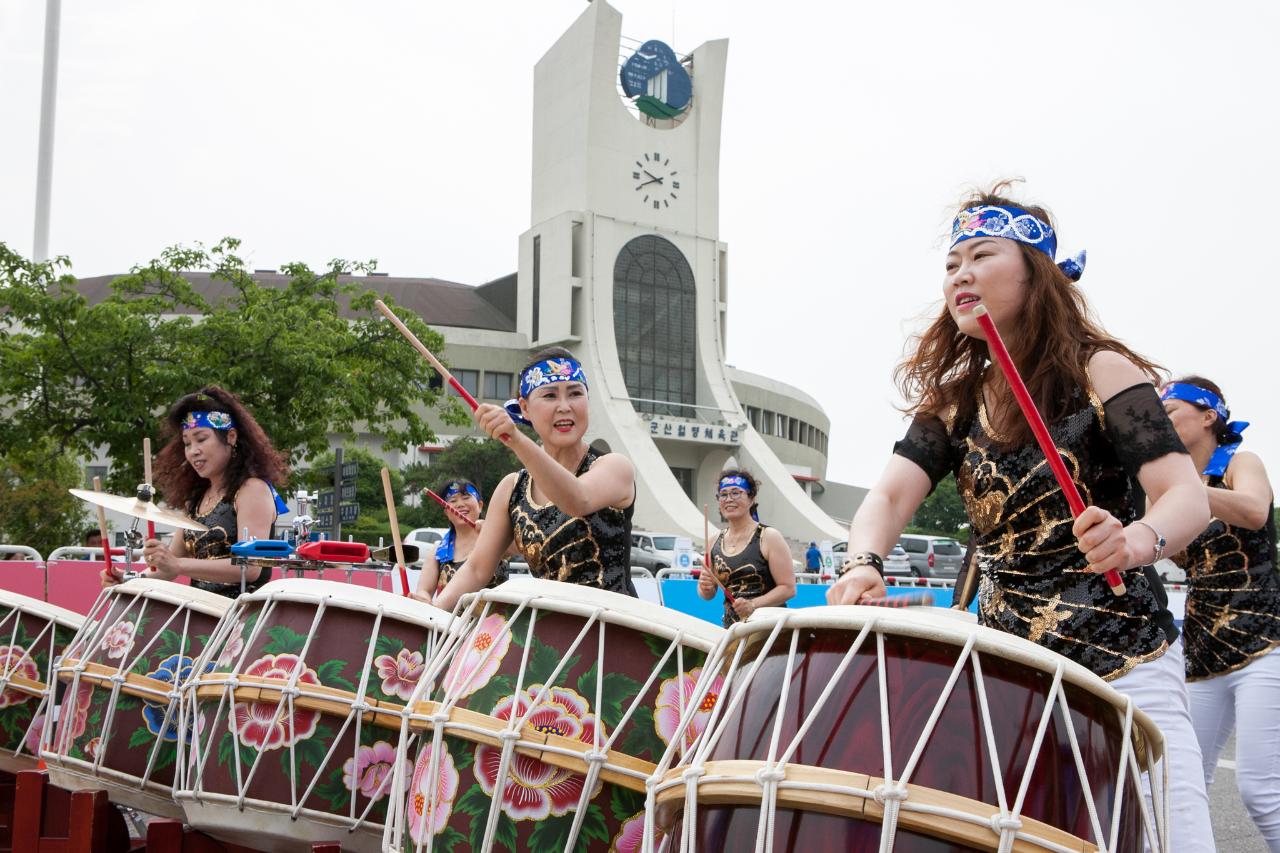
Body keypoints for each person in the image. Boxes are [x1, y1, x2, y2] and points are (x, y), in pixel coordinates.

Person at [826, 183, 1214, 849]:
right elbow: (888, 498)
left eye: (981, 255)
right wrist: (864, 560)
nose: (961, 274)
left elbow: (1185, 493)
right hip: (1012, 671)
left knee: (1174, 839)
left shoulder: (1102, 371)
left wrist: (1136, 539)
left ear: (1036, 274)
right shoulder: (956, 401)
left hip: (1126, 658)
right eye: (951, 264)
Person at [1162, 376, 1280, 847]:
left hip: (1264, 641)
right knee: (1184, 786)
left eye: (1170, 411)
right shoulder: (1164, 484)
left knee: (1260, 789)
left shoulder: (1240, 463)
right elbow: (1160, 547)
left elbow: (1254, 511)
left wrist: (1184, 486)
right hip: (1203, 651)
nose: (1162, 420)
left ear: (1209, 415)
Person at [434, 348, 637, 610]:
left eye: (575, 393)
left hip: (617, 632)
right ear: (524, 409)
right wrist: (427, 617)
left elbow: (578, 499)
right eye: (550, 395)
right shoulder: (511, 489)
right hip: (548, 635)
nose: (565, 407)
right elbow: (476, 570)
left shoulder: (614, 467)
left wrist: (517, 440)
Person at [106, 386, 290, 598]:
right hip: (201, 612)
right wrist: (132, 580)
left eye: (201, 439)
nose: (193, 451)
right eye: (187, 443)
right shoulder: (196, 498)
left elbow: (249, 569)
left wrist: (178, 564)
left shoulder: (252, 489)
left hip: (242, 616)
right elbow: (169, 568)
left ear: (230, 437)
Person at [698, 469, 796, 626]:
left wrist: (753, 604)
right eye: (723, 494)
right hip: (733, 630)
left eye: (736, 493)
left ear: (751, 498)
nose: (729, 499)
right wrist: (705, 586)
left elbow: (788, 588)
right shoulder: (713, 541)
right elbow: (707, 594)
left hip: (770, 629)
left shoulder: (769, 537)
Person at [411, 478, 508, 602]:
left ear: (480, 505)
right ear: (446, 511)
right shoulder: (438, 550)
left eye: (466, 497)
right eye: (452, 500)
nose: (460, 504)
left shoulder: (497, 538)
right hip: (449, 620)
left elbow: (518, 547)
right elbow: (424, 590)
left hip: (493, 620)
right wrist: (423, 599)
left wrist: (493, 532)